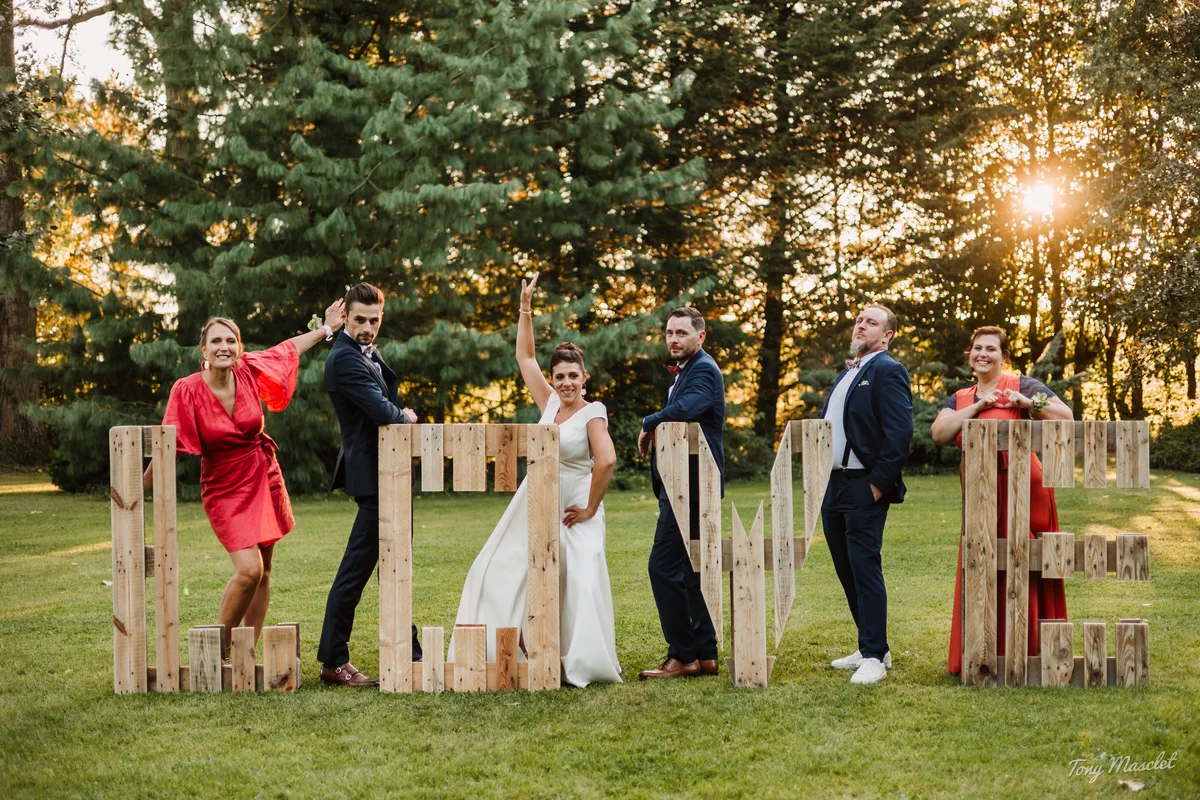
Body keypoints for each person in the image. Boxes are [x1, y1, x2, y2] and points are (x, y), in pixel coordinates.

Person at [143, 302, 345, 656]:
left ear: (239, 347)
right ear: (203, 349)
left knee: (264, 570)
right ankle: (216, 650)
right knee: (249, 570)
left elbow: (287, 349)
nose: (224, 347)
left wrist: (326, 330)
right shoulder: (187, 389)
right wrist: (137, 487)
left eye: (230, 341)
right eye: (216, 341)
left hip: (263, 474)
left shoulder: (248, 370)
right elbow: (169, 445)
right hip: (223, 487)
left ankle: (245, 652)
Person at [449, 272, 621, 687]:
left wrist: (591, 508)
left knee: (577, 578)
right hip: (536, 498)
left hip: (574, 506)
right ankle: (516, 647)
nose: (565, 383)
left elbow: (607, 461)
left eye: (572, 376)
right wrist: (525, 308)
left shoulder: (593, 412)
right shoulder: (549, 404)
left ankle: (576, 660)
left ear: (584, 377)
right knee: (496, 567)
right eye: (559, 376)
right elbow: (526, 358)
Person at [930, 325, 1072, 676]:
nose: (983, 354)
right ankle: (983, 653)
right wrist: (979, 406)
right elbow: (940, 434)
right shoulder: (961, 398)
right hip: (980, 493)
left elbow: (1066, 417)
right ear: (970, 355)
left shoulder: (1023, 385)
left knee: (1025, 562)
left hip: (1024, 490)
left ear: (1003, 356)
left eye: (991, 349)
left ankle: (1029, 650)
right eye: (977, 348)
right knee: (981, 564)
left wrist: (1027, 404)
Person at [318, 283, 423, 688]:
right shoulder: (344, 358)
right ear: (344, 316)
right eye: (359, 319)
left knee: (396, 565)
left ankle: (410, 652)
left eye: (373, 320)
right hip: (376, 477)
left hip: (390, 473)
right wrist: (405, 415)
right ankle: (333, 660)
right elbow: (383, 412)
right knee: (356, 571)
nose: (367, 327)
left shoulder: (364, 351)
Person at [820, 305, 913, 685]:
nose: (860, 325)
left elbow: (900, 433)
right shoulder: (848, 373)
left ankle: (874, 657)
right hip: (832, 484)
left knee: (864, 566)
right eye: (859, 320)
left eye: (871, 322)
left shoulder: (889, 370)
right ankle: (871, 645)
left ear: (887, 336)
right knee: (846, 569)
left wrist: (877, 484)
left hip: (863, 484)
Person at [636, 307, 725, 680]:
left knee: (662, 567)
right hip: (684, 484)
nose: (673, 339)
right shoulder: (688, 371)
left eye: (682, 333)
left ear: (700, 336)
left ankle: (683, 655)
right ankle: (705, 654)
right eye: (669, 333)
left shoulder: (703, 369)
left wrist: (649, 423)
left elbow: (687, 408)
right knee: (691, 570)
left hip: (691, 485)